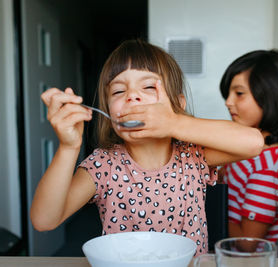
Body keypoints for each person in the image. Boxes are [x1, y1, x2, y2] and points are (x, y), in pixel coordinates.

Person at [30, 39, 264, 255]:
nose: (132, 96)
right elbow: (44, 220)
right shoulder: (104, 165)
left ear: (178, 104)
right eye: (119, 91)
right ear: (110, 111)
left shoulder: (194, 155)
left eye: (149, 88)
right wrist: (69, 147)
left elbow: (253, 143)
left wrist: (174, 121)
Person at [219, 50, 278, 243]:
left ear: (271, 96)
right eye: (228, 93)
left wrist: (205, 202)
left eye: (239, 94)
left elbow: (247, 243)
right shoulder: (249, 152)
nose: (228, 102)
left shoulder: (267, 166)